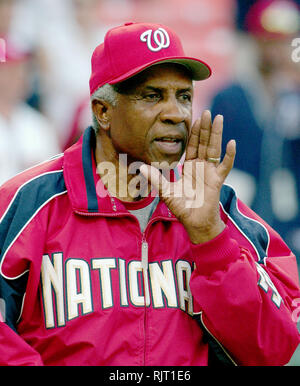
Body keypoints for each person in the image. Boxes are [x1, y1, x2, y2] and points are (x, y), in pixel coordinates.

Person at [0, 21, 299, 366]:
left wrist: (210, 238)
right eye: (152, 95)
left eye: (183, 96)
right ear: (103, 111)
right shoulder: (26, 205)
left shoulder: (223, 210)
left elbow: (273, 348)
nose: (175, 114)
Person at [210, 0, 300, 264]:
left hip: (288, 222)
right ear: (256, 42)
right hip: (241, 218)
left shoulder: (293, 97)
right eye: (270, 41)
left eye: (284, 42)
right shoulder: (230, 98)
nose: (277, 50)